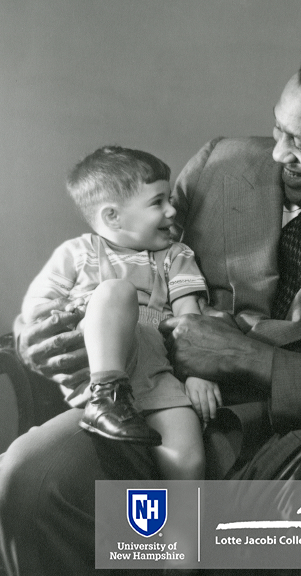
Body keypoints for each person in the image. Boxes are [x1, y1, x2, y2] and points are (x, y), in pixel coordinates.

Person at [0, 37, 301, 575]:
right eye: (279, 130)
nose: (277, 155)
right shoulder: (218, 165)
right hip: (161, 409)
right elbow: (125, 266)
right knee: (30, 477)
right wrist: (40, 333)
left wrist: (250, 357)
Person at [21, 145, 223, 481]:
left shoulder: (176, 256)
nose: (173, 211)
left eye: (170, 199)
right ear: (112, 217)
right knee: (116, 291)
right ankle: (107, 396)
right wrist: (71, 319)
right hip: (97, 368)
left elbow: (192, 323)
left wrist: (199, 373)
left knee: (187, 458)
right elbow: (39, 309)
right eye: (158, 202)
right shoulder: (78, 252)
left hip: (156, 373)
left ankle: (185, 530)